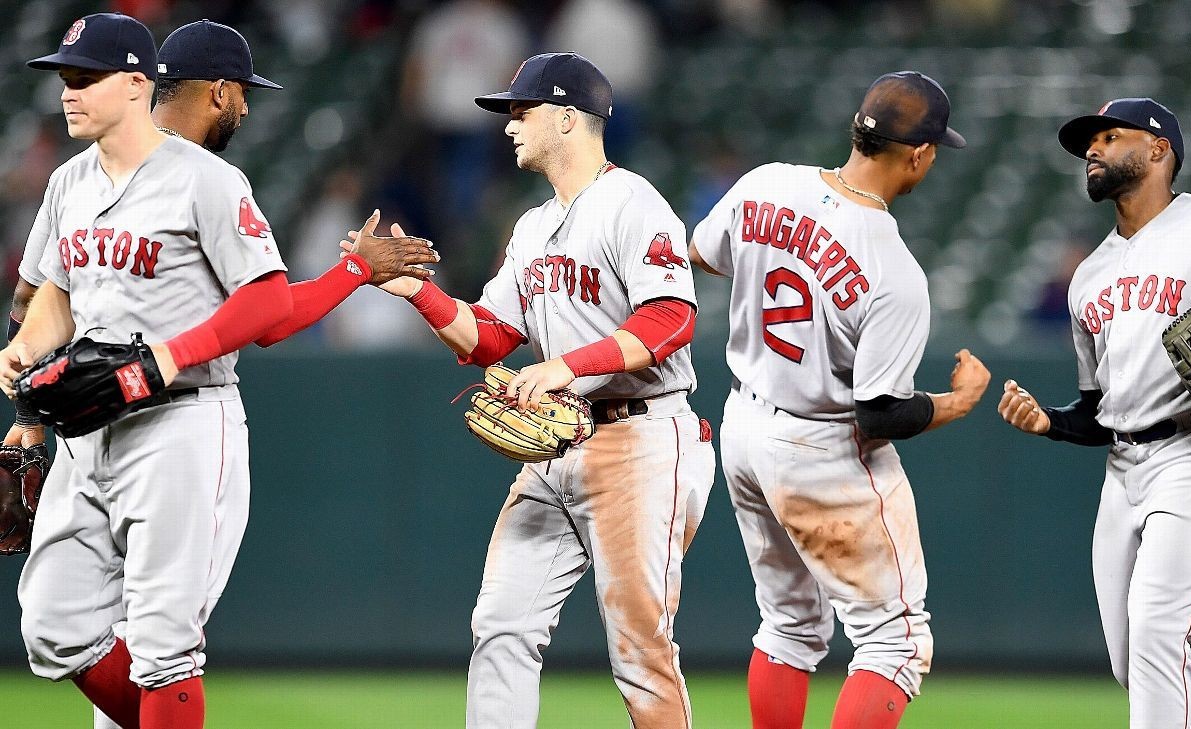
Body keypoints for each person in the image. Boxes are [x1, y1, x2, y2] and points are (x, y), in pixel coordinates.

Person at [0, 14, 427, 729]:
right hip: (88, 425)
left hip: (181, 419)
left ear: (140, 85)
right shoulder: (71, 180)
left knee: (162, 647)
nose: (249, 107)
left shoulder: (209, 181)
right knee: (54, 624)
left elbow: (267, 310)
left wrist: (350, 271)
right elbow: (45, 298)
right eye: (243, 93)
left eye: (82, 79)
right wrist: (25, 397)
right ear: (222, 92)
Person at [360, 52, 715, 728]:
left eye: (521, 111)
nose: (509, 125)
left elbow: (671, 318)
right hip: (558, 444)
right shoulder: (533, 225)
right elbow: (489, 336)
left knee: (639, 647)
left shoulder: (632, 203)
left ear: (567, 119)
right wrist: (419, 293)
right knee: (500, 624)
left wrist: (565, 366)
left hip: (640, 438)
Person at [688, 71, 990, 729]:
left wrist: (780, 260)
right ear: (919, 155)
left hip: (743, 426)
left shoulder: (766, 182)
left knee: (789, 622)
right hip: (819, 448)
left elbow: (702, 254)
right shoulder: (893, 268)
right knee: (895, 642)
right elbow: (881, 413)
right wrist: (957, 401)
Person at [998, 97, 1191, 728]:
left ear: (1160, 149)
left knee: (1159, 636)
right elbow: (1096, 408)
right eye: (1089, 142)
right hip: (1124, 466)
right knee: (1133, 659)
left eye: (1110, 136)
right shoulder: (1091, 273)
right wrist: (1048, 420)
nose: (1093, 150)